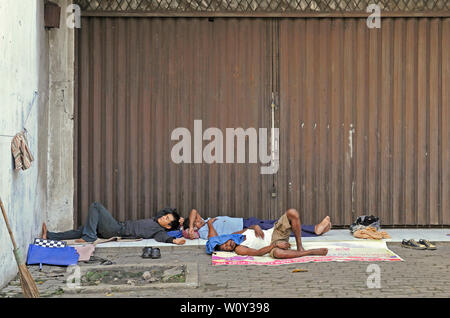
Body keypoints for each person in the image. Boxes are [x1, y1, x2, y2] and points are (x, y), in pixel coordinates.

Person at [41, 202, 186, 245]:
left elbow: (164, 238)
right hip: (118, 226)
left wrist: (174, 240)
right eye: (165, 216)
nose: (163, 218)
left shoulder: (159, 231)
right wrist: (178, 222)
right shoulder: (155, 220)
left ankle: (89, 237)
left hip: (117, 230)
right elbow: (167, 215)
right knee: (82, 230)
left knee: (96, 206)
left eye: (167, 220)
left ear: (168, 226)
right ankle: (50, 236)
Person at [206, 208, 328, 259]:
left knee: (292, 212)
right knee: (278, 254)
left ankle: (300, 246)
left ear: (225, 239)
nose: (229, 246)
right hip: (272, 245)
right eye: (227, 249)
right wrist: (275, 246)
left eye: (225, 244)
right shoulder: (239, 249)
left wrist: (256, 226)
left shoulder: (237, 234)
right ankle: (310, 252)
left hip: (275, 232)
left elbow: (213, 238)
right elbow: (258, 253)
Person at [184, 208, 331, 240]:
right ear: (197, 228)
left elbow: (193, 210)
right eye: (197, 221)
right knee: (281, 228)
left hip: (247, 221)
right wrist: (208, 225)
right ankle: (315, 229)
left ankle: (315, 230)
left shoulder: (202, 221)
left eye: (197, 219)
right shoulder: (204, 231)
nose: (198, 219)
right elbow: (213, 239)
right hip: (245, 229)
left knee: (278, 225)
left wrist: (191, 225)